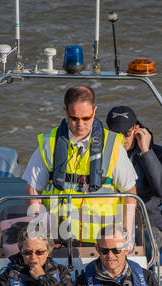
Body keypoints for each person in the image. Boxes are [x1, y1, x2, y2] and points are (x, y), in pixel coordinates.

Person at [22, 87, 138, 244]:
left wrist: (126, 236)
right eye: (74, 118)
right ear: (65, 111)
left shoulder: (113, 145)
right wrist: (41, 235)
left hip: (105, 245)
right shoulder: (48, 143)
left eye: (86, 118)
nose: (80, 124)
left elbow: (129, 193)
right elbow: (33, 190)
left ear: (94, 111)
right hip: (58, 240)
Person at [106, 106, 162, 249]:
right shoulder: (99, 155)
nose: (122, 139)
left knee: (146, 243)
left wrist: (146, 152)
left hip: (147, 225)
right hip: (110, 225)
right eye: (115, 134)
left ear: (136, 129)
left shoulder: (157, 153)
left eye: (126, 133)